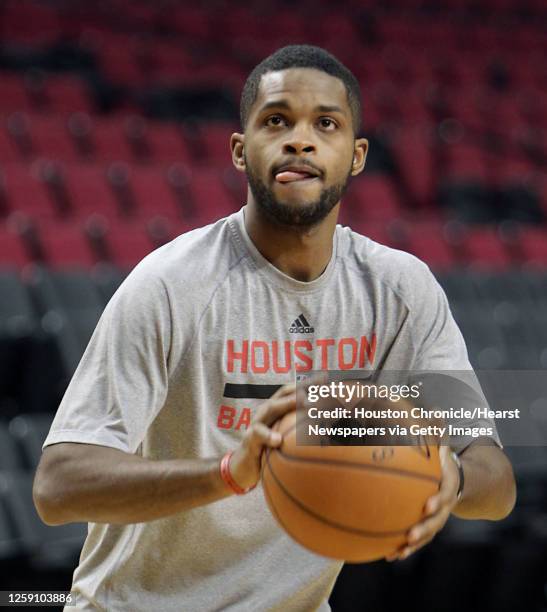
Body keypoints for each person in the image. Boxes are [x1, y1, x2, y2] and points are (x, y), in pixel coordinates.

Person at [33, 45, 516, 611]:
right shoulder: (171, 283)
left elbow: (495, 480)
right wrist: (228, 474)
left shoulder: (401, 292)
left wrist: (447, 480)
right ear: (241, 151)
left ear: (357, 156)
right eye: (277, 120)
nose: (300, 140)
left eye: (326, 124)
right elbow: (57, 487)